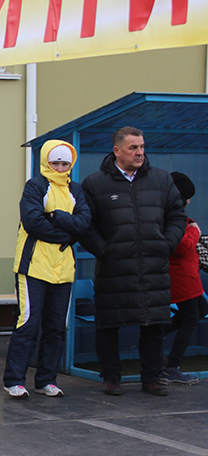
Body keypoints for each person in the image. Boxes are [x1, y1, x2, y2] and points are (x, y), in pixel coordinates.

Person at [79, 126, 186, 396]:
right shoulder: (95, 183)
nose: (140, 153)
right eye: (133, 148)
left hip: (153, 267)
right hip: (114, 267)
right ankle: (112, 377)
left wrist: (166, 244)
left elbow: (177, 216)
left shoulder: (161, 179)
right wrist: (105, 251)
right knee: (108, 324)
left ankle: (151, 378)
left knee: (153, 325)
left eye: (141, 147)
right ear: (117, 150)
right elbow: (86, 226)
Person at [2, 140, 91, 398]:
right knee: (28, 323)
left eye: (65, 163)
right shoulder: (35, 186)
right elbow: (33, 222)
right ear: (46, 162)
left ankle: (46, 380)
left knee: (55, 327)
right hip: (33, 267)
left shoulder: (76, 189)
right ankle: (14, 380)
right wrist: (67, 233)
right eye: (55, 163)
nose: (60, 168)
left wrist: (58, 218)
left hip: (63, 269)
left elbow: (84, 222)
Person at [160, 172, 205, 385]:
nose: (189, 201)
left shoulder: (170, 215)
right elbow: (180, 247)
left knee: (201, 308)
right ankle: (172, 367)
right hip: (179, 276)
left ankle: (158, 334)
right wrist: (195, 232)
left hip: (186, 275)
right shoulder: (172, 218)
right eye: (188, 197)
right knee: (191, 318)